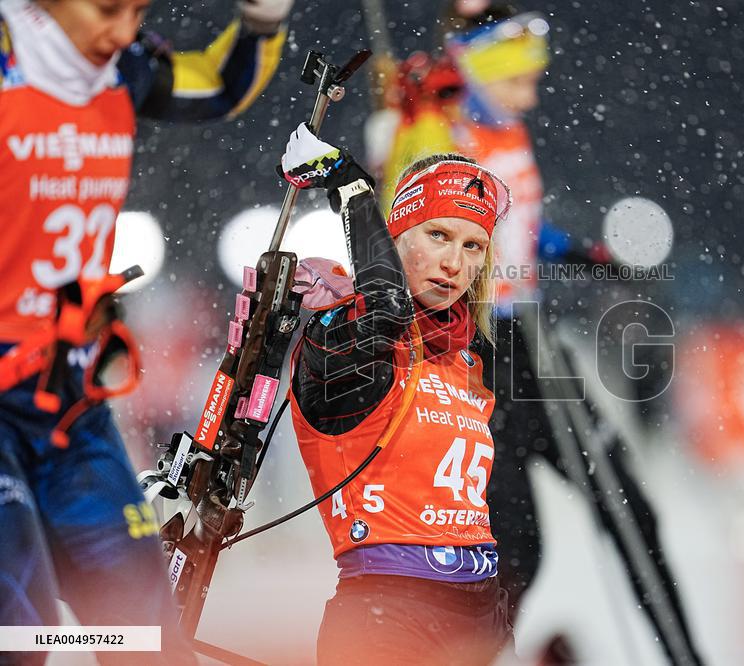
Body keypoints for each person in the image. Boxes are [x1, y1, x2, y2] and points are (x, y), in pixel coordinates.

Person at [371, 3, 704, 662]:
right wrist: (399, 141)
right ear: (480, 71)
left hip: (531, 350)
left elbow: (522, 230)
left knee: (630, 513)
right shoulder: (437, 129)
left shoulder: (507, 132)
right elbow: (401, 234)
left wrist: (588, 256)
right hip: (471, 361)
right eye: (519, 79)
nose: (532, 91)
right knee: (515, 551)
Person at [0, 0, 289, 660]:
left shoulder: (122, 70)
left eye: (138, 10)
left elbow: (214, 86)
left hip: (70, 400)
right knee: (20, 633)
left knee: (146, 637)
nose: (124, 32)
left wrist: (262, 24)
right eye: (106, 9)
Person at [279, 123, 512, 665]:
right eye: (438, 236)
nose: (456, 263)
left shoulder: (467, 358)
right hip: (386, 612)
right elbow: (383, 309)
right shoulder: (341, 333)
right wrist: (352, 187)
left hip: (481, 614)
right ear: (396, 237)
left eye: (472, 245)